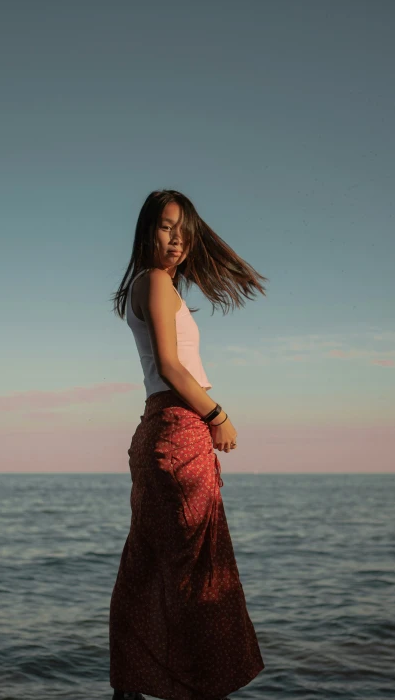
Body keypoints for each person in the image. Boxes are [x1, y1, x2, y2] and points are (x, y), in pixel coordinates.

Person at [109, 190, 269, 700]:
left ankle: (132, 685)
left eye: (183, 229)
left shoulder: (155, 285)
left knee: (150, 565)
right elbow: (172, 366)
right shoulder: (154, 282)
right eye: (164, 227)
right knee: (201, 576)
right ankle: (197, 687)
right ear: (146, 232)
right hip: (179, 428)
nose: (175, 239)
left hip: (159, 430)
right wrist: (218, 416)